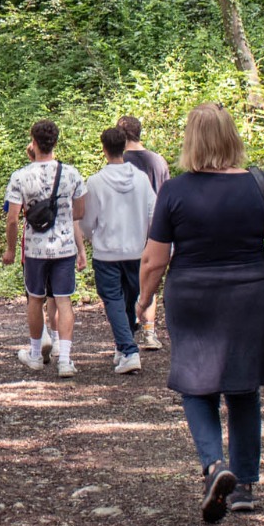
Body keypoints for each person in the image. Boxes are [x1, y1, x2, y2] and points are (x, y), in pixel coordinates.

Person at [136, 103, 264, 522]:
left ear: (190, 141)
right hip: (250, 294)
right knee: (244, 387)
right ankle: (244, 484)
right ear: (232, 137)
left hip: (192, 295)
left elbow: (155, 260)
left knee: (196, 385)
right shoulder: (257, 185)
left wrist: (142, 300)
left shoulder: (174, 191)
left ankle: (214, 466)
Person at [3, 121, 88, 378]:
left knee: (35, 299)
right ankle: (65, 359)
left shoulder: (20, 176)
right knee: (63, 301)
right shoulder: (71, 173)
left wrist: (9, 249)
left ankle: (35, 353)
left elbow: (12, 219)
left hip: (35, 249)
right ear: (56, 142)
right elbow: (80, 211)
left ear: (33, 141)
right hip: (64, 247)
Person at [80, 127, 157, 374]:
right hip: (136, 249)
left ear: (103, 149)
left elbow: (87, 220)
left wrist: (93, 238)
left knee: (114, 300)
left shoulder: (96, 182)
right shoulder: (141, 179)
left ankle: (128, 350)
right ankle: (124, 345)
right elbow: (153, 214)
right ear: (124, 146)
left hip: (107, 251)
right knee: (128, 298)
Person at [118, 115, 168, 352]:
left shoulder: (121, 161)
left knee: (128, 283)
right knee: (151, 277)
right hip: (156, 228)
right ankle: (149, 332)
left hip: (128, 228)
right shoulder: (158, 160)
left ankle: (128, 331)